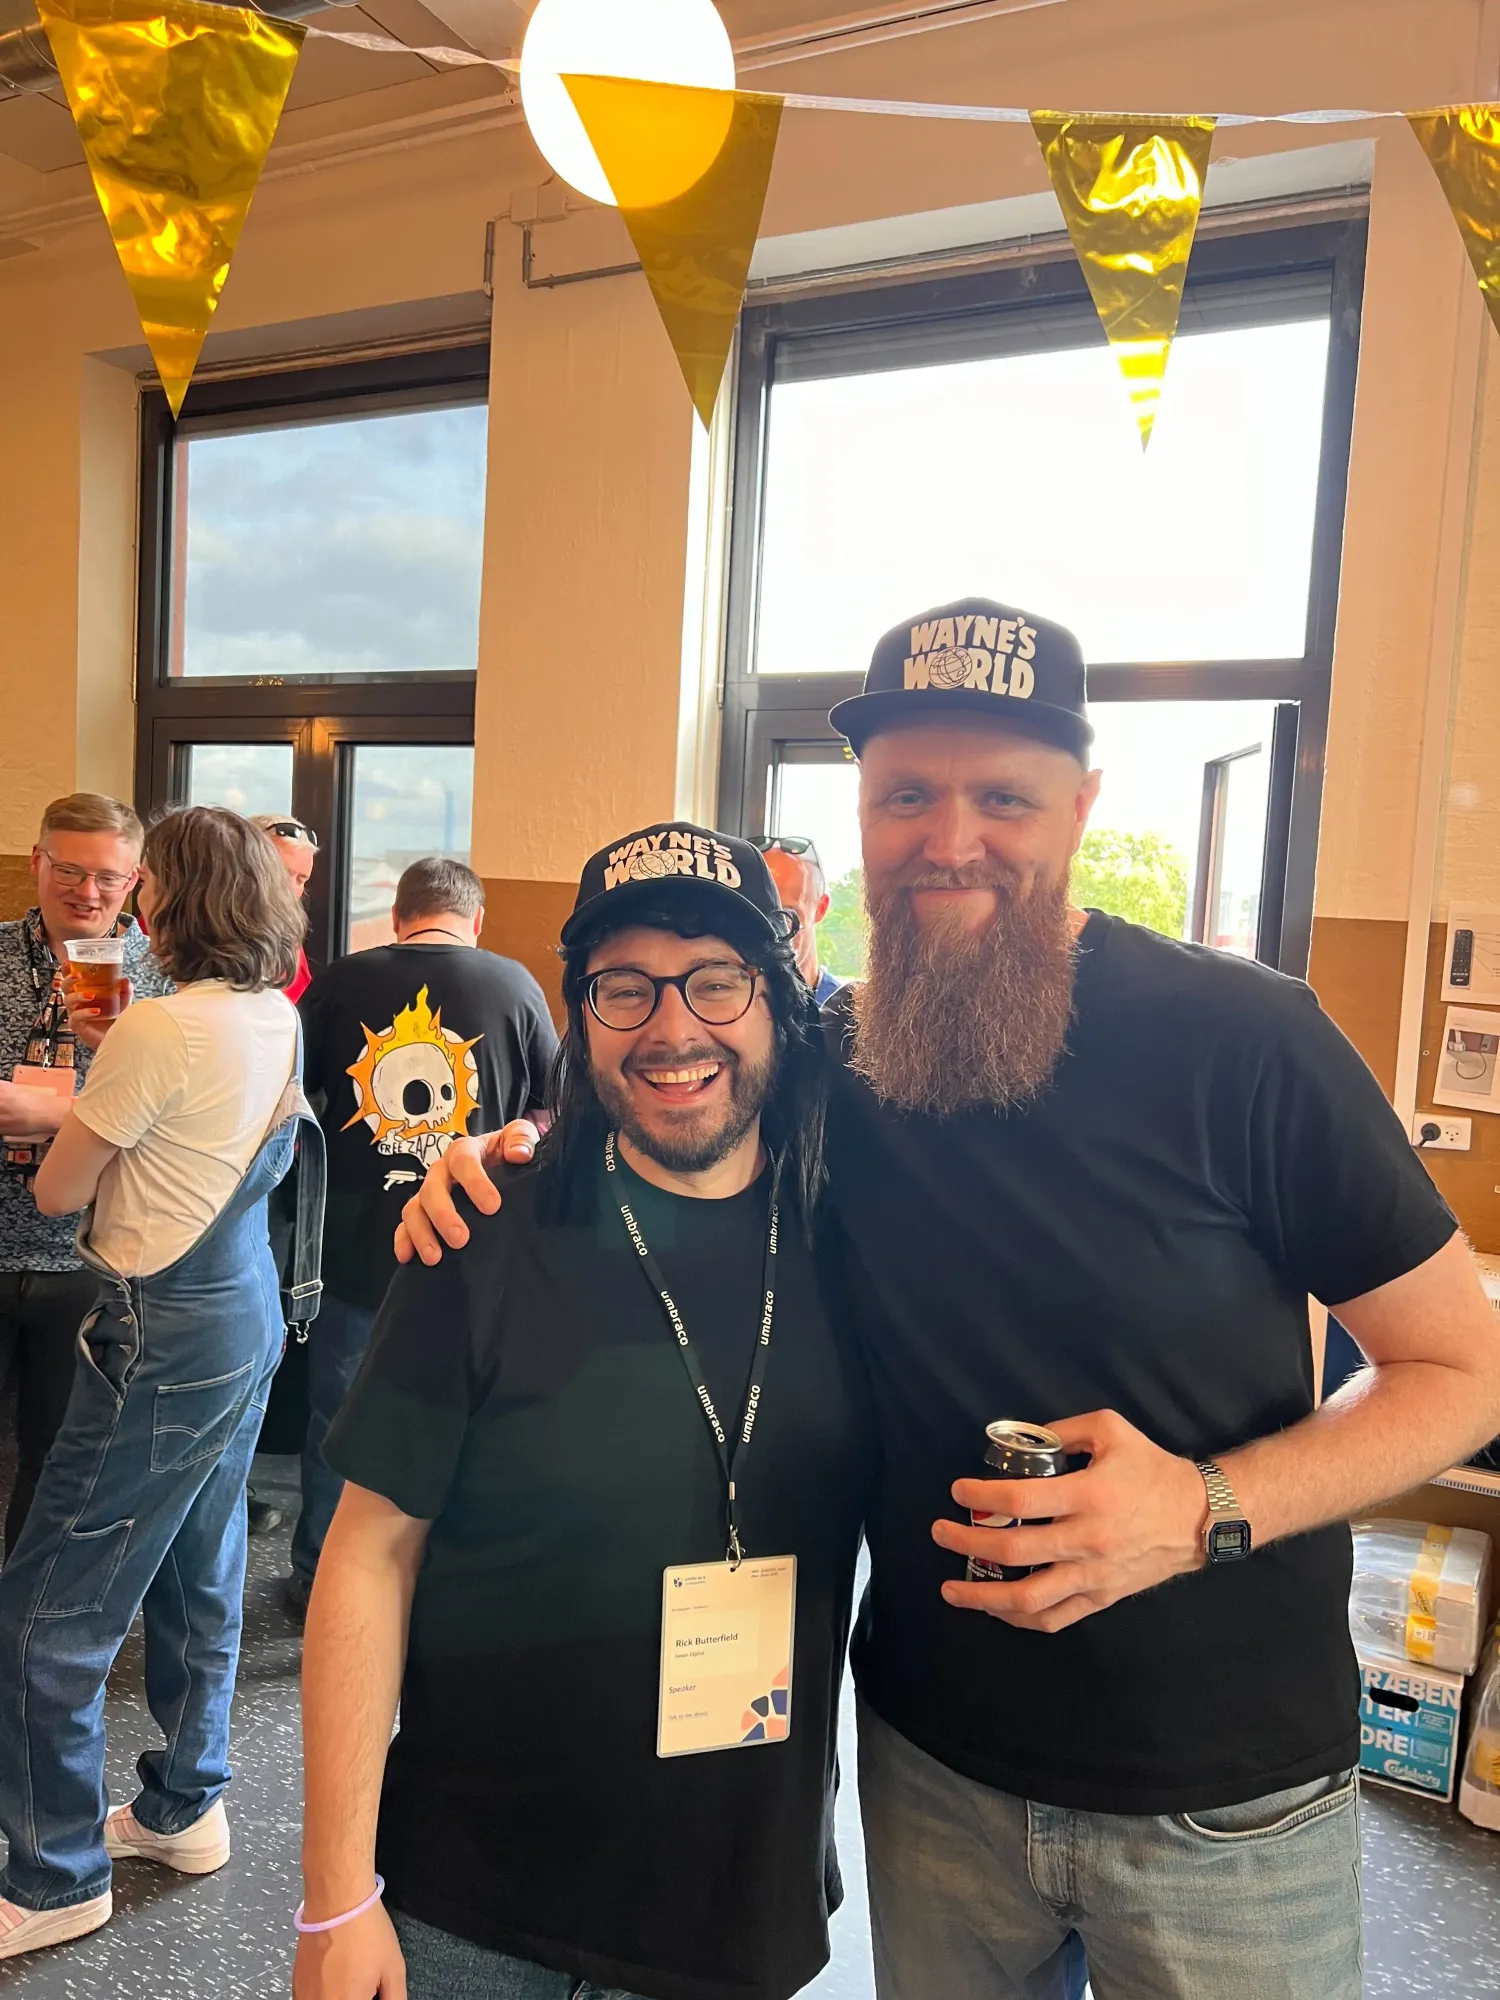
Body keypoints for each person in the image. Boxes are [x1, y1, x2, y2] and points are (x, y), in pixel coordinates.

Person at [402, 598, 1500, 2000]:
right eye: (908, 795)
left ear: (1084, 805)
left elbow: (1461, 1372)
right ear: (860, 811)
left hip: (1226, 1797)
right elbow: (667, 1104)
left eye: (1003, 795)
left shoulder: (1250, 1041)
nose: (950, 838)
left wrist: (1202, 1506)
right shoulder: (834, 1059)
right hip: (934, 1774)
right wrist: (498, 1164)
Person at [295, 825, 866, 2000]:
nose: (672, 1027)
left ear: (778, 994)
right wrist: (335, 1892)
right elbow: (365, 1554)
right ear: (577, 1014)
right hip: (471, 1912)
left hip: (732, 1909)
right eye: (624, 987)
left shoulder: (858, 1238)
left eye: (716, 978)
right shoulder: (480, 1227)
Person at [0, 806, 315, 1962]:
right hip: (243, 1310)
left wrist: (60, 1113)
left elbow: (56, 1193)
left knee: (42, 1612)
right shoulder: (275, 1014)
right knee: (198, 1566)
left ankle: (56, 1870)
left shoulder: (158, 1028)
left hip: (158, 1333)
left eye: (142, 885)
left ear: (167, 901)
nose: (127, 902)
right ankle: (185, 1805)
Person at [282, 855, 557, 1623]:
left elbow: (292, 1104)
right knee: (464, 1424)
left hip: (355, 1249)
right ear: (475, 919)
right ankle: (439, 1581)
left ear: (400, 917)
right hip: (473, 1250)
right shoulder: (517, 987)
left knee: (340, 1420)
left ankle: (317, 1575)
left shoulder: (338, 983)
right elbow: (548, 1114)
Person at [0, 792, 169, 1554]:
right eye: (69, 870)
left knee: (59, 1461)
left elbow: (178, 1122)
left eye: (109, 877)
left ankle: (19, 1633)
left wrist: (60, 1115)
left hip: (93, 1259)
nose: (88, 892)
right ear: (37, 862)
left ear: (135, 880)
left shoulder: (166, 984)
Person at [754, 835, 843, 1004]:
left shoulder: (846, 1019)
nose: (772, 929)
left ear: (820, 908)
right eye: (758, 912)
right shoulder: (734, 1008)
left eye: (788, 914)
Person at [253, 814, 318, 1004]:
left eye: (301, 880)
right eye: (282, 873)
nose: (290, 889)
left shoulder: (288, 938)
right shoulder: (214, 935)